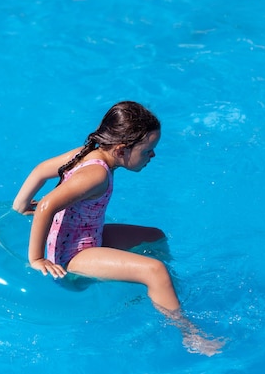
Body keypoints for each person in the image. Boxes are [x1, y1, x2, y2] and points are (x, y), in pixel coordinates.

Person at [13, 101, 224, 356]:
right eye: (148, 151)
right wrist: (36, 258)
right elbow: (47, 205)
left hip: (88, 235)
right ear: (122, 150)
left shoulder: (85, 152)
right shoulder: (97, 175)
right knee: (155, 270)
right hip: (72, 256)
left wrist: (21, 205)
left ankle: (167, 291)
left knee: (154, 236)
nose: (153, 156)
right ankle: (190, 334)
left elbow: (40, 170)